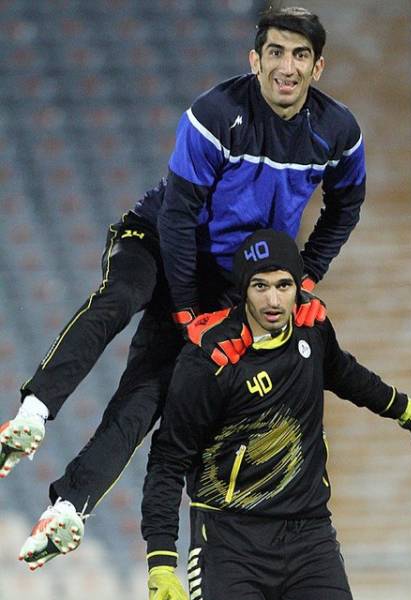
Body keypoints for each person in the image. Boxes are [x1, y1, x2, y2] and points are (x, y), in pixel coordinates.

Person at [2, 6, 367, 570]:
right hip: (156, 237)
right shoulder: (215, 114)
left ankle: (70, 506)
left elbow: (347, 205)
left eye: (300, 56)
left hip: (225, 278)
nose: (286, 67)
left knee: (152, 393)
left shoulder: (338, 132)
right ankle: (33, 410)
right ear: (255, 60)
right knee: (118, 299)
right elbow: (177, 216)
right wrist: (188, 310)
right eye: (275, 52)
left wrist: (305, 275)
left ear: (317, 67)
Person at [141, 230, 411, 600]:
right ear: (243, 289)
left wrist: (407, 411)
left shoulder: (313, 330)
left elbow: (344, 374)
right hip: (229, 542)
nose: (273, 300)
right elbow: (168, 460)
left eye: (283, 285)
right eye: (260, 286)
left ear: (297, 286)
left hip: (310, 538)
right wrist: (161, 562)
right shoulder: (209, 360)